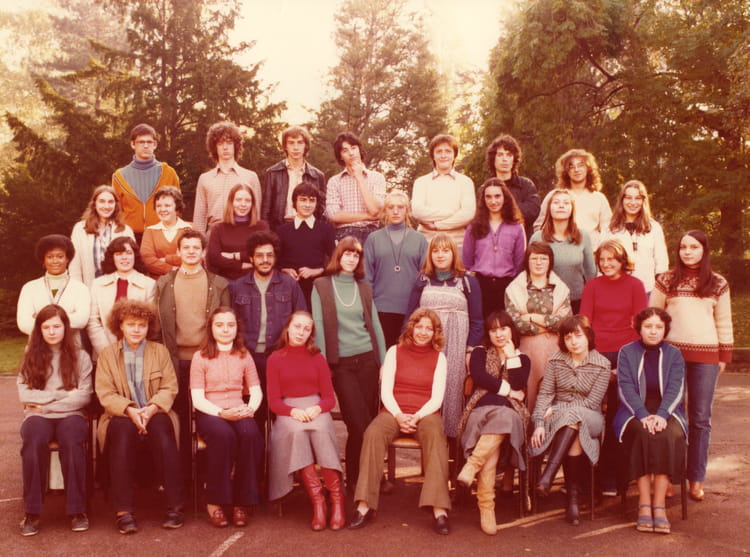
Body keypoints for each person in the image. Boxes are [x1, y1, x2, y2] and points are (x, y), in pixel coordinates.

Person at [348, 308, 451, 535]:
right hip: (394, 411)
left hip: (426, 414)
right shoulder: (395, 351)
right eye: (419, 326)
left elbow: (437, 397)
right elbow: (386, 390)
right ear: (411, 328)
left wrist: (417, 416)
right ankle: (365, 505)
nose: (423, 332)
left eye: (429, 328)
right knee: (373, 433)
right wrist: (398, 415)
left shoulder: (439, 358)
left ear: (435, 333)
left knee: (436, 436)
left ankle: (439, 509)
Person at [650, 230, 733, 502]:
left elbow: (723, 321)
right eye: (683, 247)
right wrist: (652, 351)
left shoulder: (718, 283)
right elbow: (653, 317)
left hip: (706, 358)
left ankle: (696, 478)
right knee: (670, 416)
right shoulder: (665, 280)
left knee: (700, 419)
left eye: (694, 247)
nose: (687, 252)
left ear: (704, 250)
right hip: (671, 357)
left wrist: (723, 356)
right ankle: (668, 478)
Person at [95, 299, 184, 534]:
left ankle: (174, 506)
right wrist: (130, 410)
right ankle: (124, 511)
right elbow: (105, 393)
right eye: (131, 324)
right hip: (121, 413)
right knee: (122, 434)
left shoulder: (160, 351)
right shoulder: (107, 355)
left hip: (156, 410)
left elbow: (169, 387)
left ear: (148, 327)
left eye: (142, 325)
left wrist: (151, 408)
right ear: (120, 326)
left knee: (163, 433)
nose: (136, 330)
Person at [311, 236, 386, 488]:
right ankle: (372, 476)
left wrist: (383, 362)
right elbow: (318, 325)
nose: (352, 258)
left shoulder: (364, 288)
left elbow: (375, 325)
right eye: (347, 253)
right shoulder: (321, 285)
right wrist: (323, 364)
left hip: (367, 360)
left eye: (356, 255)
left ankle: (356, 479)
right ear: (338, 256)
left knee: (365, 423)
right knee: (358, 423)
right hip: (341, 364)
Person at [155, 229, 230, 473]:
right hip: (174, 361)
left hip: (208, 360)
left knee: (210, 417)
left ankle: (208, 473)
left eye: (196, 247)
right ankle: (182, 474)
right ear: (178, 251)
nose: (191, 252)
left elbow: (227, 323)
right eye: (186, 247)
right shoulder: (164, 283)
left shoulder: (218, 284)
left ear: (203, 251)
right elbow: (156, 327)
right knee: (179, 418)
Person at [580, 239, 648, 495]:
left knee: (617, 416)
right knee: (591, 416)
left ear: (622, 261)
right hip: (596, 354)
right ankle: (587, 478)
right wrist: (593, 360)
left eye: (612, 259)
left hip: (626, 355)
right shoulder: (592, 285)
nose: (607, 264)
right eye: (602, 260)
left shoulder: (635, 285)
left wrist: (626, 364)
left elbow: (640, 326)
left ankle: (615, 477)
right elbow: (585, 324)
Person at [17, 305, 92, 536]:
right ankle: (32, 512)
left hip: (71, 415)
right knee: (33, 439)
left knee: (71, 440)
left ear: (65, 327)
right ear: (39, 330)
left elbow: (84, 395)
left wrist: (46, 403)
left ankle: (77, 510)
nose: (52, 332)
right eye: (46, 327)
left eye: (57, 326)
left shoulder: (80, 356)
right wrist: (62, 394)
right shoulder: (30, 355)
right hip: (37, 417)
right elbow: (24, 394)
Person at [266, 312, 344, 531]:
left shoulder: (318, 358)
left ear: (311, 333)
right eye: (297, 327)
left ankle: (337, 499)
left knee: (321, 430)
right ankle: (318, 501)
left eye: (306, 329)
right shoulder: (275, 359)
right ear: (288, 328)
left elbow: (329, 398)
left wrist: (317, 407)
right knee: (296, 433)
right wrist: (292, 411)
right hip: (288, 410)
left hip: (315, 406)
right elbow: (274, 401)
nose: (301, 332)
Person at [530, 315, 610, 525]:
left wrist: (557, 408)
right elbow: (545, 394)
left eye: (578, 335)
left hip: (591, 418)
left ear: (588, 336)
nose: (573, 341)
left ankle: (549, 475)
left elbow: (591, 403)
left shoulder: (603, 365)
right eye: (568, 337)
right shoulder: (555, 361)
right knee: (573, 426)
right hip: (561, 421)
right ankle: (572, 499)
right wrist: (539, 424)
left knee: (575, 416)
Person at [457, 311, 530, 535]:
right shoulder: (479, 353)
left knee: (504, 418)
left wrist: (511, 357)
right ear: (488, 334)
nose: (499, 334)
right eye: (493, 330)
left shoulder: (523, 359)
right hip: (480, 410)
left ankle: (474, 475)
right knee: (495, 438)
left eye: (503, 329)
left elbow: (519, 381)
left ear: (511, 331)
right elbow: (480, 377)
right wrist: (509, 391)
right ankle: (487, 507)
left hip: (511, 413)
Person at [614, 307, 687, 535]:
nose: (653, 331)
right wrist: (643, 414)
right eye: (648, 326)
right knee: (643, 433)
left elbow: (676, 388)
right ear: (639, 328)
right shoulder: (627, 352)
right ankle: (644, 503)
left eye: (658, 327)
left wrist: (662, 415)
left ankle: (660, 505)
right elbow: (625, 387)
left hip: (668, 409)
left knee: (667, 434)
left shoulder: (674, 354)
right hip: (634, 409)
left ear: (665, 329)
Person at [189, 307, 263, 528]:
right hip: (211, 412)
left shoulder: (244, 354)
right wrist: (221, 413)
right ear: (211, 328)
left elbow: (256, 390)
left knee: (250, 434)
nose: (225, 329)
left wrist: (250, 409)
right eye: (219, 325)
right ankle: (215, 501)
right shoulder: (200, 357)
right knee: (224, 436)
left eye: (230, 325)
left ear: (237, 328)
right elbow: (197, 398)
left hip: (238, 409)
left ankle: (242, 502)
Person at [405, 233, 483, 439]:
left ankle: (451, 444)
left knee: (452, 390)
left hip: (456, 346)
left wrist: (469, 350)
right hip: (426, 344)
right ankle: (424, 434)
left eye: (445, 250)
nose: (440, 255)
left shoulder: (468, 281)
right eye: (435, 251)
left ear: (453, 253)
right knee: (426, 387)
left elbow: (477, 320)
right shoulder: (422, 279)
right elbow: (410, 316)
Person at [232, 230, 307, 432]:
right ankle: (257, 453)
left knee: (281, 416)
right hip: (249, 358)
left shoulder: (289, 284)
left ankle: (278, 453)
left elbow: (301, 319)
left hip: (281, 356)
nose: (265, 260)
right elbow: (231, 325)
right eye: (259, 255)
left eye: (269, 255)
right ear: (251, 258)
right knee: (253, 415)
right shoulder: (238, 286)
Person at [505, 241, 572, 411]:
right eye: (534, 258)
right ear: (527, 261)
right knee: (529, 390)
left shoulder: (561, 288)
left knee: (553, 390)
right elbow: (515, 323)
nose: (539, 263)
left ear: (550, 262)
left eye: (543, 258)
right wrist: (548, 324)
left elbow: (565, 321)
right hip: (526, 348)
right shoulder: (514, 289)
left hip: (555, 347)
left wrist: (533, 317)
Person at [363, 190, 428, 347]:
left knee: (407, 354)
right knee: (383, 354)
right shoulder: (373, 239)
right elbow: (366, 276)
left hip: (411, 309)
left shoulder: (420, 240)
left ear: (407, 210)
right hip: (380, 308)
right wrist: (368, 308)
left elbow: (425, 276)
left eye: (400, 207)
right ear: (385, 211)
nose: (396, 211)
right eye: (391, 207)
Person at [463, 178, 525, 316]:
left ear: (505, 197)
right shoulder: (474, 227)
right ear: (483, 200)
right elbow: (467, 262)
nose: (493, 201)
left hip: (507, 286)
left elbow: (519, 262)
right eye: (488, 197)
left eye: (497, 196)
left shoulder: (516, 227)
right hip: (480, 285)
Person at [88, 237, 156, 361]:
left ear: (135, 256)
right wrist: (107, 352)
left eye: (128, 253)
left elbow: (151, 323)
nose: (124, 258)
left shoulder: (149, 284)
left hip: (138, 355)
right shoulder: (98, 284)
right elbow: (93, 321)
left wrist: (134, 351)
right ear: (112, 258)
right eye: (119, 254)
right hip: (105, 355)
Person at [529, 189, 596, 312]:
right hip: (546, 302)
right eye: (556, 202)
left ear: (572, 209)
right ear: (549, 208)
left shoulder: (583, 236)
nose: (561, 206)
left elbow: (590, 272)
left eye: (566, 203)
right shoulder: (537, 238)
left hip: (578, 301)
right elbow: (529, 273)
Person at [112, 123, 180, 239]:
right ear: (133, 144)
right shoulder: (119, 176)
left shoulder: (168, 173)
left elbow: (177, 207)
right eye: (141, 142)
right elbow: (116, 210)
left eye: (149, 142)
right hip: (129, 236)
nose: (146, 146)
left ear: (155, 145)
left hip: (161, 234)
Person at [534, 149, 611, 250]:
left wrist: (599, 251)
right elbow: (539, 226)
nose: (576, 170)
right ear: (566, 171)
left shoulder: (599, 198)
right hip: (559, 252)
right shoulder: (554, 196)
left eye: (581, 165)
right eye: (571, 167)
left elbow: (607, 229)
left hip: (592, 252)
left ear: (588, 168)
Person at [193, 121, 261, 234]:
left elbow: (256, 214)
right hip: (213, 233)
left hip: (242, 233)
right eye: (220, 143)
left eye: (229, 143)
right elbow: (199, 216)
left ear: (236, 145)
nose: (225, 147)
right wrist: (199, 241)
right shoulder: (205, 179)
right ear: (214, 147)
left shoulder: (250, 177)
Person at [17, 235, 90, 338]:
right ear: (43, 259)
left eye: (60, 256)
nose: (55, 261)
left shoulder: (80, 288)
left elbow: (81, 320)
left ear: (67, 259)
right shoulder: (29, 288)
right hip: (37, 346)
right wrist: (67, 318)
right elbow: (24, 323)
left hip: (72, 346)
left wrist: (40, 319)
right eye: (50, 257)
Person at [603, 180, 669, 294]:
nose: (633, 202)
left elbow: (661, 262)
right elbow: (602, 261)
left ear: (643, 201)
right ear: (622, 200)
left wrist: (660, 290)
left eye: (638, 198)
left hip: (647, 290)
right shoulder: (609, 228)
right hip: (617, 290)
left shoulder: (654, 228)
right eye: (628, 198)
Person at [411, 134, 476, 250]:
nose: (443, 155)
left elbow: (468, 214)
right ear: (433, 156)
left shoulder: (466, 182)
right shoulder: (421, 182)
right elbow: (418, 211)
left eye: (448, 151)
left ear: (454, 155)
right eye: (439, 151)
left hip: (457, 245)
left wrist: (437, 226)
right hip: (427, 244)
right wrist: (453, 212)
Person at [276, 182, 335, 307]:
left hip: (316, 288)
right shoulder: (282, 230)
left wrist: (318, 270)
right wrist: (284, 270)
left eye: (312, 200)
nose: (307, 205)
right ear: (294, 202)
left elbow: (335, 259)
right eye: (303, 200)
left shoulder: (325, 229)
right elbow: (275, 261)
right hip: (288, 288)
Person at [262, 125, 326, 231]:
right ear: (285, 146)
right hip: (279, 228)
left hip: (308, 228)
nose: (296, 147)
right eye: (291, 143)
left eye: (300, 142)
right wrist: (267, 234)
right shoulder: (272, 173)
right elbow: (265, 210)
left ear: (306, 146)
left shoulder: (317, 176)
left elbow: (321, 209)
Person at [325, 131, 385, 243]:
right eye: (345, 151)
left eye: (353, 148)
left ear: (359, 149)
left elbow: (375, 210)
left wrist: (360, 177)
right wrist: (367, 216)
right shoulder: (334, 181)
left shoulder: (377, 177)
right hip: (345, 233)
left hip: (371, 233)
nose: (351, 153)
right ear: (340, 156)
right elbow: (333, 215)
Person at [69, 185, 135, 287]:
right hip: (89, 287)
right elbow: (74, 265)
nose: (106, 206)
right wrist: (79, 290)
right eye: (102, 201)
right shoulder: (80, 229)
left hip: (117, 288)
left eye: (110, 202)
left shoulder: (125, 230)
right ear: (94, 204)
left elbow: (132, 263)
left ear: (116, 205)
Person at [206, 184, 270, 281]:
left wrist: (234, 255)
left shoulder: (261, 226)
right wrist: (242, 265)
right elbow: (214, 259)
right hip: (227, 282)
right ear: (231, 202)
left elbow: (265, 255)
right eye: (238, 200)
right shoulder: (218, 228)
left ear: (252, 204)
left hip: (255, 280)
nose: (243, 204)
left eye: (247, 200)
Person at [486, 134, 540, 240]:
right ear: (493, 159)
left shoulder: (526, 185)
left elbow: (532, 212)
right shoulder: (485, 188)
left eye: (509, 155)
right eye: (500, 155)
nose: (504, 159)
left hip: (523, 241)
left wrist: (498, 212)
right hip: (494, 242)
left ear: (514, 159)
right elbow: (482, 216)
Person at [140, 187, 192, 278]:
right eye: (158, 206)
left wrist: (166, 259)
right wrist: (172, 269)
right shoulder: (150, 231)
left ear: (177, 207)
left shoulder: (188, 229)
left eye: (167, 205)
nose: (162, 209)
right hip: (157, 282)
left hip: (185, 280)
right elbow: (147, 260)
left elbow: (191, 256)